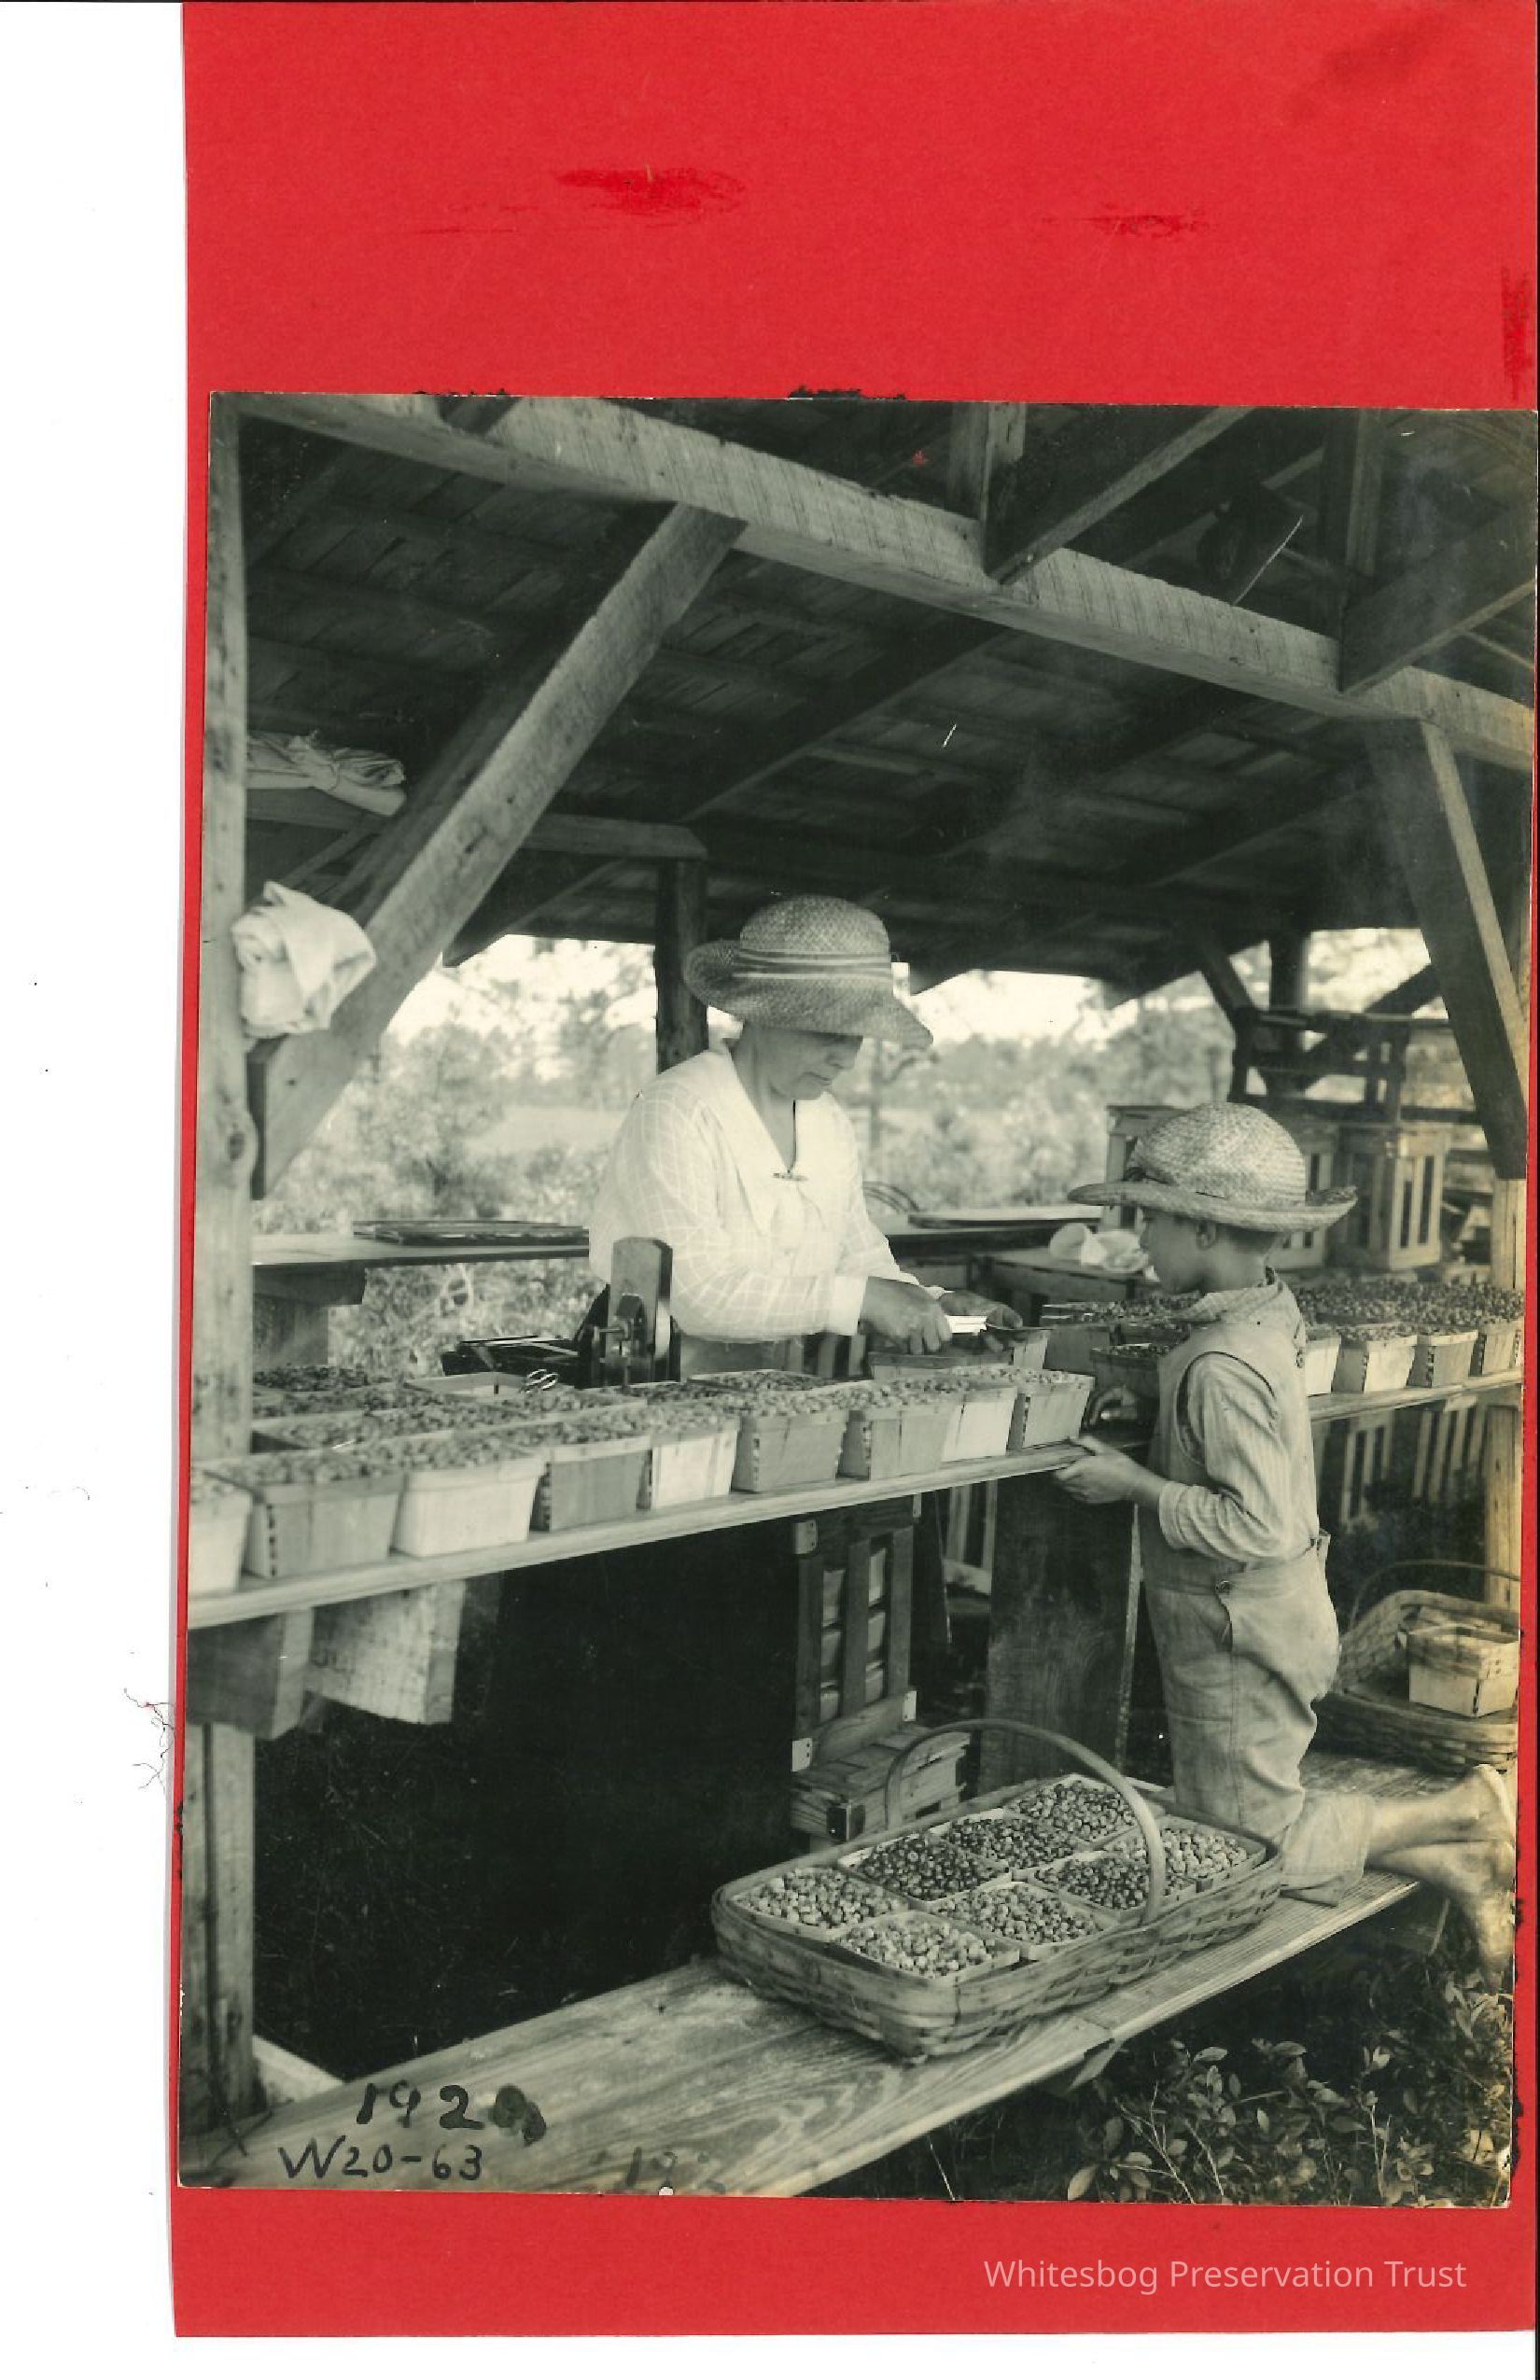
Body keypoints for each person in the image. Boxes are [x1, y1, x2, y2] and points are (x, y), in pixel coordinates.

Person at [1055, 1101, 1516, 1980]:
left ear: (1201, 1223)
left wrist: (1135, 1484)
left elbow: (1253, 1523)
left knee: (1247, 1838)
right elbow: (1247, 1440)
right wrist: (1158, 1419)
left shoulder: (1222, 1360)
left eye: (1150, 1217)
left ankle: (1457, 1811)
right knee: (1233, 1805)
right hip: (1263, 1615)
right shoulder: (1264, 1312)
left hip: (1237, 1625)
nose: (1140, 1234)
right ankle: (1461, 1862)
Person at [589, 894, 1011, 1367]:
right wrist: (863, 1302)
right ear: (762, 1012)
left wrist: (930, 1301)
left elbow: (858, 1254)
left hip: (774, 1384)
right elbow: (696, 1295)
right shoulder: (679, 1111)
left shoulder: (826, 1122)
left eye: (856, 1036)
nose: (846, 1058)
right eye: (828, 1032)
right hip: (657, 1380)